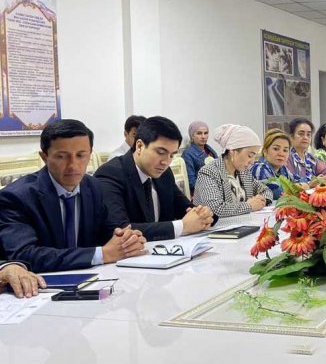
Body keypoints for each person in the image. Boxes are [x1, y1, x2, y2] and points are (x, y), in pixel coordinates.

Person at [0, 120, 147, 272]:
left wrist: (127, 240)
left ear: (90, 155)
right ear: (44, 157)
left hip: (93, 277)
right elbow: (24, 255)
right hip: (42, 282)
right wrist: (102, 254)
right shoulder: (16, 197)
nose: (73, 165)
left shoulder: (94, 187)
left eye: (80, 155)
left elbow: (107, 232)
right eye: (62, 156)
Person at [95, 116, 216, 242]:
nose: (166, 162)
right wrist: (182, 226)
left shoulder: (164, 173)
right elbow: (120, 229)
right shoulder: (110, 173)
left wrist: (204, 214)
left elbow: (185, 208)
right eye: (161, 152)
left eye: (172, 155)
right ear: (140, 146)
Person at [194, 124, 272, 217]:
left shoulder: (244, 172)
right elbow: (215, 209)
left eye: (255, 156)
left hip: (242, 222)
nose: (252, 161)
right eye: (250, 155)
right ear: (233, 152)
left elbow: (265, 190)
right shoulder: (208, 173)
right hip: (216, 225)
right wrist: (249, 206)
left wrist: (262, 201)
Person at [284, 118, 326, 184]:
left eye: (308, 134)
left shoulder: (310, 158)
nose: (305, 137)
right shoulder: (286, 158)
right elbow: (289, 184)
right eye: (301, 134)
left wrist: (325, 180)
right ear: (291, 137)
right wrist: (311, 184)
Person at [251, 128, 293, 199]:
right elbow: (276, 193)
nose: (281, 154)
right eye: (276, 149)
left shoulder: (283, 169)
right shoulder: (259, 168)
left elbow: (298, 182)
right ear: (265, 151)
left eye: (285, 150)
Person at [183, 121, 218, 195]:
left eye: (206, 133)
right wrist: (211, 188)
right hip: (201, 193)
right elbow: (191, 182)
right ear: (192, 136)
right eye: (199, 133)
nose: (203, 136)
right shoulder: (187, 154)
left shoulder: (209, 150)